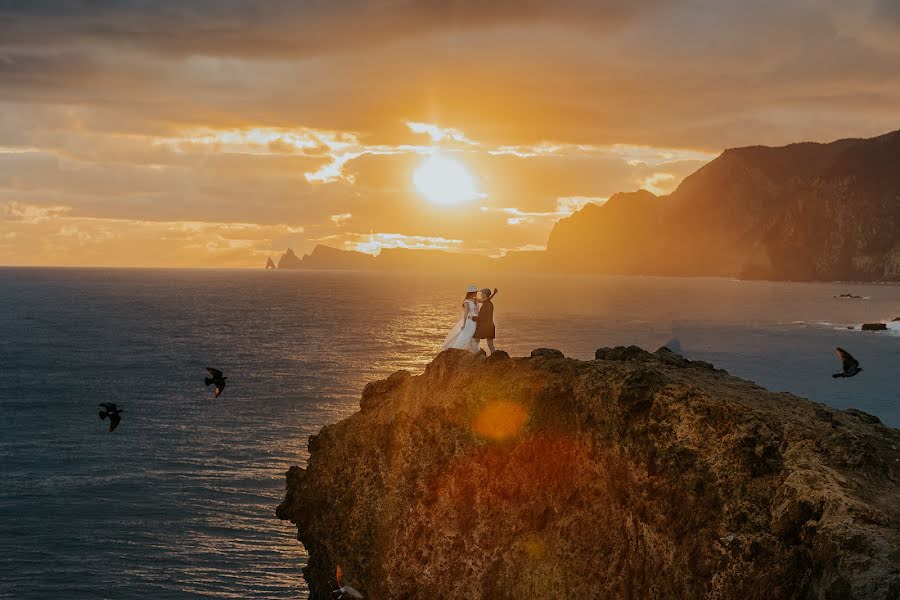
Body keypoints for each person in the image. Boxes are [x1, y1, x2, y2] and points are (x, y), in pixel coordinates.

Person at [442, 285, 480, 352]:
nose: (476, 293)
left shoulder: (476, 300)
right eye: (475, 292)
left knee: (474, 335)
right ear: (471, 292)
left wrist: (493, 294)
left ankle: (473, 350)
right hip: (470, 321)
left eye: (476, 292)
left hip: (476, 319)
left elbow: (486, 300)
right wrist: (464, 324)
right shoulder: (467, 301)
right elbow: (466, 313)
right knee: (468, 334)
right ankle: (458, 347)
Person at [474, 287, 498, 354]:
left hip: (486, 327)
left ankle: (476, 353)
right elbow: (485, 299)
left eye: (482, 293)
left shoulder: (487, 304)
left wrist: (472, 317)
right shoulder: (487, 302)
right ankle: (494, 356)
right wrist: (494, 294)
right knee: (490, 344)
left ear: (485, 294)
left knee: (475, 338)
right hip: (489, 326)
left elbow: (481, 317)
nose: (481, 294)